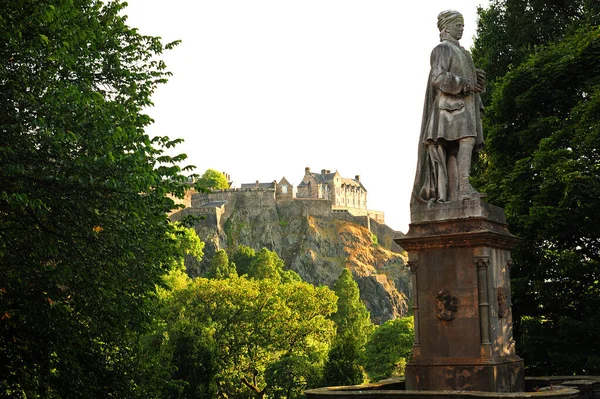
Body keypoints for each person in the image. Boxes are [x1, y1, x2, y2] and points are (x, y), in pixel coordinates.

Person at [411, 10, 486, 205]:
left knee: (461, 145)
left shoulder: (464, 53)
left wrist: (477, 81)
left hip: (463, 108)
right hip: (449, 109)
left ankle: (460, 188)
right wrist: (465, 84)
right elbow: (438, 78)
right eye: (457, 25)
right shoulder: (442, 49)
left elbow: (469, 82)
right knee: (465, 140)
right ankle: (462, 187)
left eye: (462, 25)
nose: (462, 28)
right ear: (446, 27)